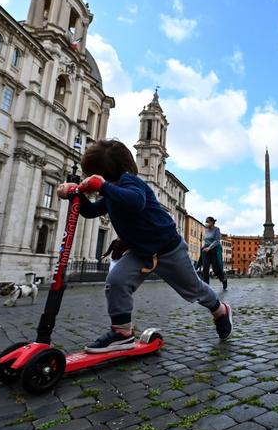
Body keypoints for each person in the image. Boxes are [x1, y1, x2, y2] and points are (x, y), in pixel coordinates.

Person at [56, 139, 232, 353]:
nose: (87, 178)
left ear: (104, 172)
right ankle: (122, 333)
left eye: (90, 174)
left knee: (194, 289)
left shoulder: (132, 183)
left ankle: (220, 310)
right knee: (116, 281)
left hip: (168, 249)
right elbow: (90, 211)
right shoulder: (111, 192)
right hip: (140, 252)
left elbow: (135, 202)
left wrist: (103, 187)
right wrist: (75, 194)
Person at [201, 217, 228, 290]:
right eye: (206, 221)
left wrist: (209, 248)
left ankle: (223, 280)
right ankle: (206, 287)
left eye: (208, 221)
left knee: (216, 269)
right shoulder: (206, 230)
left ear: (212, 222)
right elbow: (206, 240)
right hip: (206, 251)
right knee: (205, 268)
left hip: (214, 250)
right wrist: (204, 247)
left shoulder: (217, 229)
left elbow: (217, 241)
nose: (206, 223)